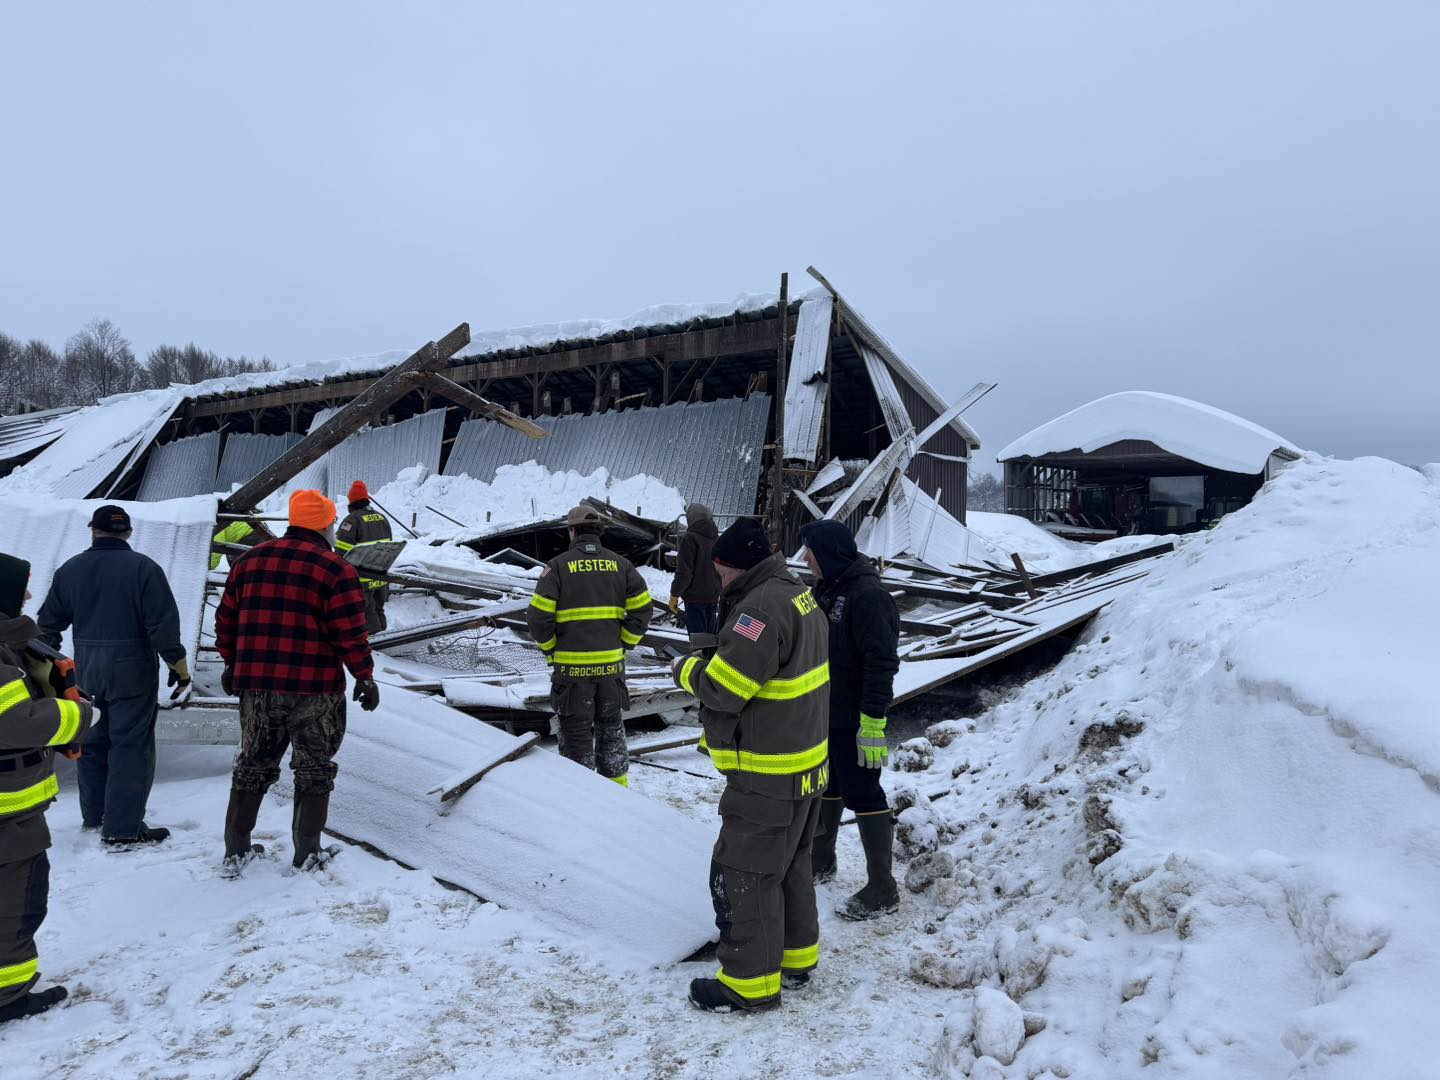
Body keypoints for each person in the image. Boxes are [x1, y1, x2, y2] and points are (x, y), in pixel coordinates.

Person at [670, 518, 830, 1012]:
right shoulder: (796, 593)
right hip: (806, 765)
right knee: (790, 866)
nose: (717, 580)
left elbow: (724, 689)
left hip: (768, 773)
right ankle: (795, 958)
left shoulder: (757, 610)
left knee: (748, 874)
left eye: (719, 571)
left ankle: (748, 984)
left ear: (731, 565)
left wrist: (685, 669)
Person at [214, 490, 379, 874]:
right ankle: (308, 851)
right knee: (314, 769)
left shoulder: (248, 562)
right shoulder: (335, 569)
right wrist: (364, 676)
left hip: (257, 686)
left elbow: (226, 621)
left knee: (252, 765)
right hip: (314, 689)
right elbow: (350, 634)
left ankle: (236, 849)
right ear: (325, 524)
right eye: (332, 522)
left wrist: (231, 662)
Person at [37, 505, 188, 848]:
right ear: (128, 532)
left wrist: (49, 671)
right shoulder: (145, 569)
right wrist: (178, 666)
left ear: (93, 530)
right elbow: (162, 626)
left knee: (92, 742)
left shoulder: (70, 570)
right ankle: (122, 828)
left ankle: (94, 816)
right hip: (133, 671)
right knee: (131, 746)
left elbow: (47, 627)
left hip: (87, 671)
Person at [0, 552, 93, 1023]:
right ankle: (8, 996)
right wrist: (80, 714)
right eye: (21, 590)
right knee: (17, 902)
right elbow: (15, 721)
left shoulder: (15, 647)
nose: (28, 597)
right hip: (9, 816)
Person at [800, 519, 901, 920]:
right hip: (826, 711)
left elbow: (882, 661)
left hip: (857, 716)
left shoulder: (868, 595)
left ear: (828, 554)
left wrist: (873, 718)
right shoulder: (826, 589)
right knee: (828, 783)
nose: (805, 558)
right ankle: (822, 859)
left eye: (810, 551)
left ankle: (883, 888)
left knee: (864, 793)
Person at [525, 505, 651, 787]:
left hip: (572, 673)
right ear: (599, 532)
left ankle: (580, 796)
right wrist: (624, 644)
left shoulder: (557, 567)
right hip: (611, 671)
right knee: (611, 730)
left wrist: (551, 651)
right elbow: (643, 609)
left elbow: (537, 619)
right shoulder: (622, 565)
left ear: (572, 531)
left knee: (575, 734)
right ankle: (617, 791)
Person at [334, 480, 393, 636]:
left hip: (361, 578)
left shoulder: (352, 520)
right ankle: (385, 637)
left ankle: (376, 644)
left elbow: (341, 551)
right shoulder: (381, 518)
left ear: (352, 501)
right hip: (380, 576)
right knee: (378, 609)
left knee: (366, 612)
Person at [668, 502, 722, 641]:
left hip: (695, 599)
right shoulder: (716, 538)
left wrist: (674, 595)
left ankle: (700, 656)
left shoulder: (690, 538)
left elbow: (684, 573)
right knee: (710, 640)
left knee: (698, 642)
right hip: (713, 597)